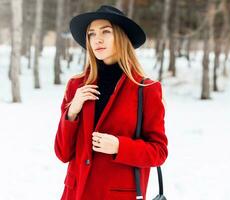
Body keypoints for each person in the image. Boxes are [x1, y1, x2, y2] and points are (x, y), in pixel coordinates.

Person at [54, 5, 168, 200]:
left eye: (106, 32)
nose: (97, 39)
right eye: (91, 34)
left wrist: (119, 147)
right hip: (75, 193)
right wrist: (72, 111)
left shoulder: (146, 89)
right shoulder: (76, 86)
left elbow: (159, 152)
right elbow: (63, 153)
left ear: (122, 37)